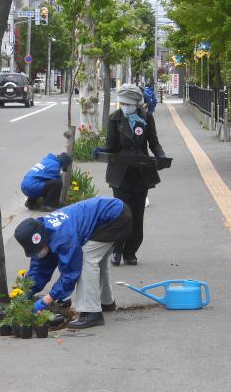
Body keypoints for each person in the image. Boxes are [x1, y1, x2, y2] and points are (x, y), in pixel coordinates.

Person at [14, 196, 132, 329]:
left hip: (116, 217)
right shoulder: (41, 233)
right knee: (98, 261)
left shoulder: (63, 237)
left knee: (87, 259)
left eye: (39, 249)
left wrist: (48, 299)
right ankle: (106, 302)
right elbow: (39, 269)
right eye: (34, 251)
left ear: (43, 238)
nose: (38, 253)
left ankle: (91, 313)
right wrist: (26, 291)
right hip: (112, 213)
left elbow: (71, 272)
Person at [105, 83, 166, 266]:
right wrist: (100, 150)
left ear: (137, 103)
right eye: (122, 103)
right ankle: (116, 250)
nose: (125, 107)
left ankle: (130, 252)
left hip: (140, 172)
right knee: (121, 213)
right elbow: (111, 146)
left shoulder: (146, 118)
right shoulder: (114, 119)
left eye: (129, 104)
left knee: (137, 215)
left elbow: (153, 143)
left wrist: (161, 156)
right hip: (120, 173)